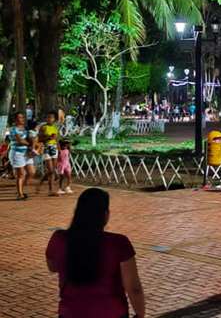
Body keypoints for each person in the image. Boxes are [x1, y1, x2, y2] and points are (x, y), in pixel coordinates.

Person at [45, 188, 145, 318]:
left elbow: (52, 267)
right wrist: (140, 314)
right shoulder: (119, 243)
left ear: (77, 213)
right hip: (111, 313)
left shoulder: (59, 238)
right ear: (105, 214)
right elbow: (133, 288)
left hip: (71, 312)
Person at [9, 112, 36, 200]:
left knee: (31, 172)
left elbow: (32, 138)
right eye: (19, 117)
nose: (21, 119)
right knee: (21, 174)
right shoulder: (13, 129)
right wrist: (30, 144)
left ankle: (20, 189)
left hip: (26, 153)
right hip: (17, 153)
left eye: (22, 117)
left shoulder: (26, 129)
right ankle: (20, 194)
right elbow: (20, 140)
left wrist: (32, 144)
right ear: (15, 119)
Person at [38, 111, 60, 196]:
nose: (49, 119)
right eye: (48, 117)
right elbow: (39, 139)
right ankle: (42, 183)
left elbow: (56, 139)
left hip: (54, 148)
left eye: (51, 118)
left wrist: (59, 149)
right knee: (50, 170)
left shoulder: (55, 128)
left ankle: (51, 190)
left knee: (52, 171)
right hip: (47, 148)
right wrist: (49, 137)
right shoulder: (43, 127)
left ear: (54, 119)